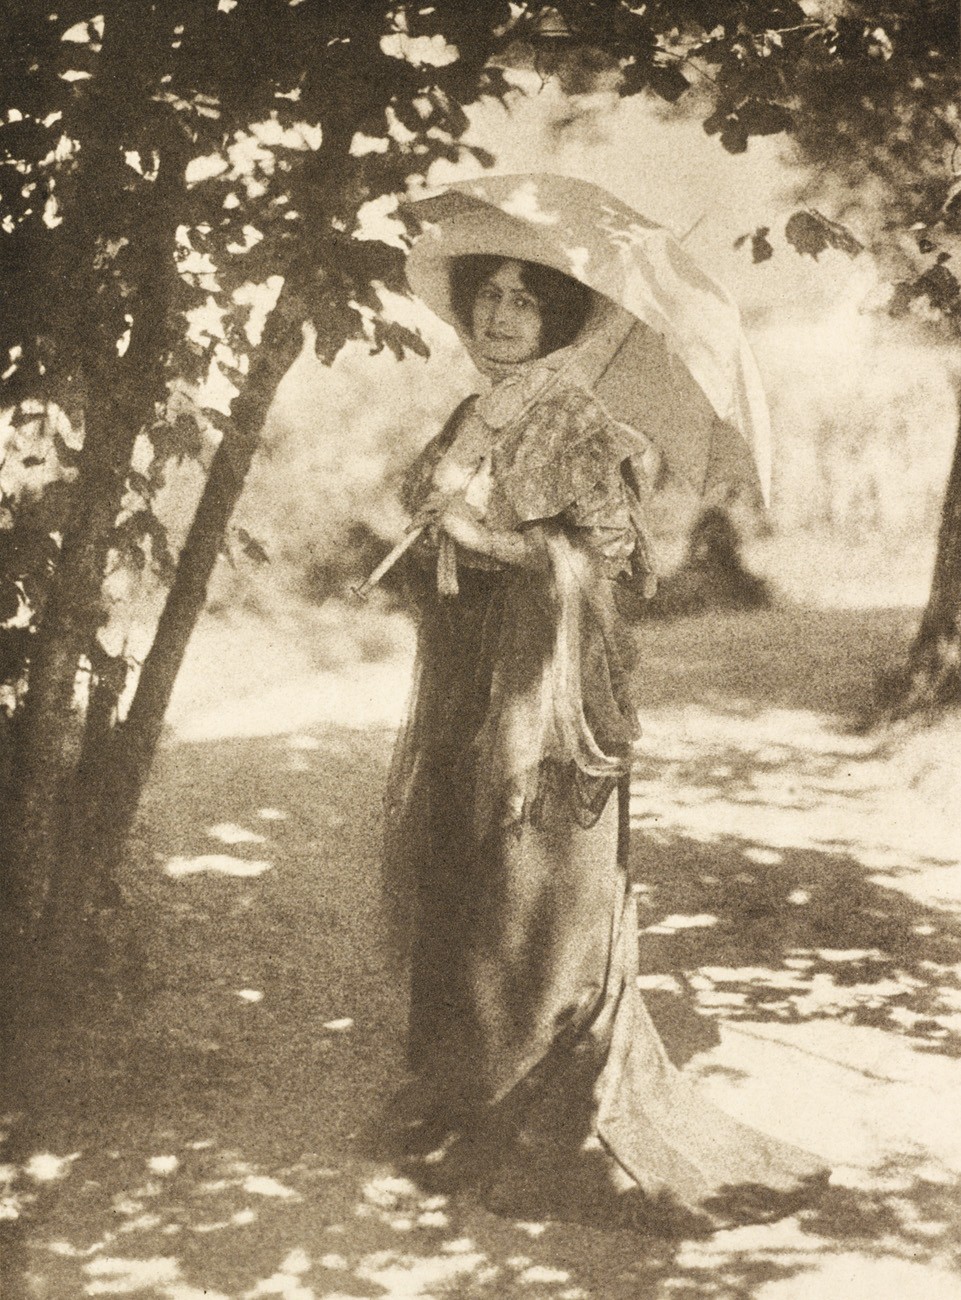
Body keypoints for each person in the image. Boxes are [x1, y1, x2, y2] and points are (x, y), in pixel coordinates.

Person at [380, 253, 827, 1230]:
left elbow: (615, 567)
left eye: (523, 298)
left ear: (555, 319)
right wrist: (430, 523)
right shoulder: (470, 418)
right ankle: (469, 1091)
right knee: (469, 878)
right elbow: (430, 530)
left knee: (535, 886)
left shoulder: (576, 424)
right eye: (488, 296)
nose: (500, 314)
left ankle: (537, 1106)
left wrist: (489, 541)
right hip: (465, 688)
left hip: (551, 700)